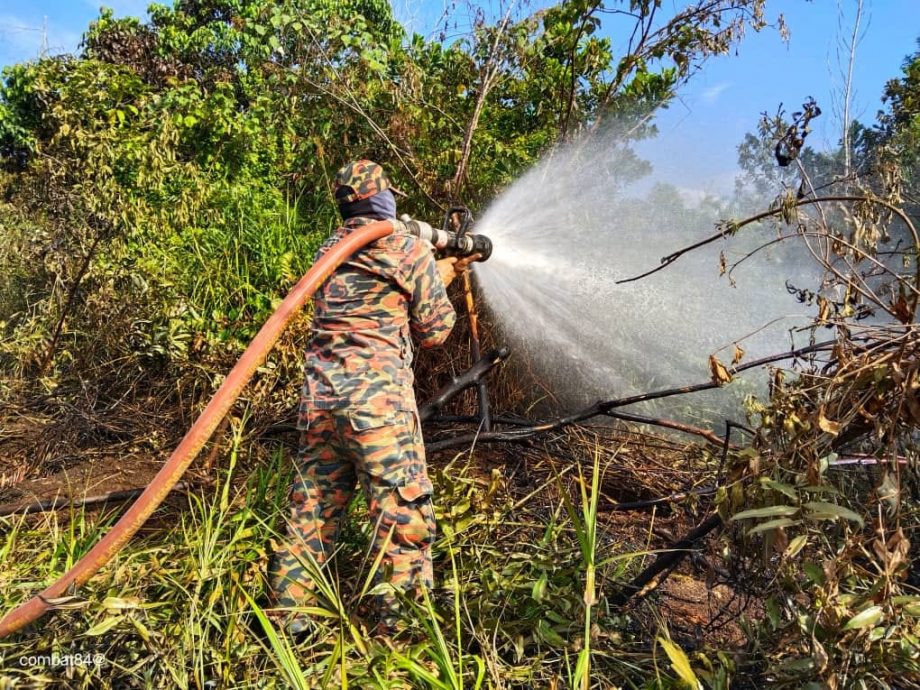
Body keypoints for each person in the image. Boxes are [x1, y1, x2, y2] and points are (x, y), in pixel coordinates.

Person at [269, 159, 476, 635]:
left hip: (319, 403)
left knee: (312, 511)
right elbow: (435, 332)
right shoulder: (406, 250)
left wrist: (432, 268)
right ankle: (401, 636)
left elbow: (367, 294)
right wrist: (437, 275)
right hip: (377, 410)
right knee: (403, 516)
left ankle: (290, 623)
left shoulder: (329, 248)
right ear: (383, 198)